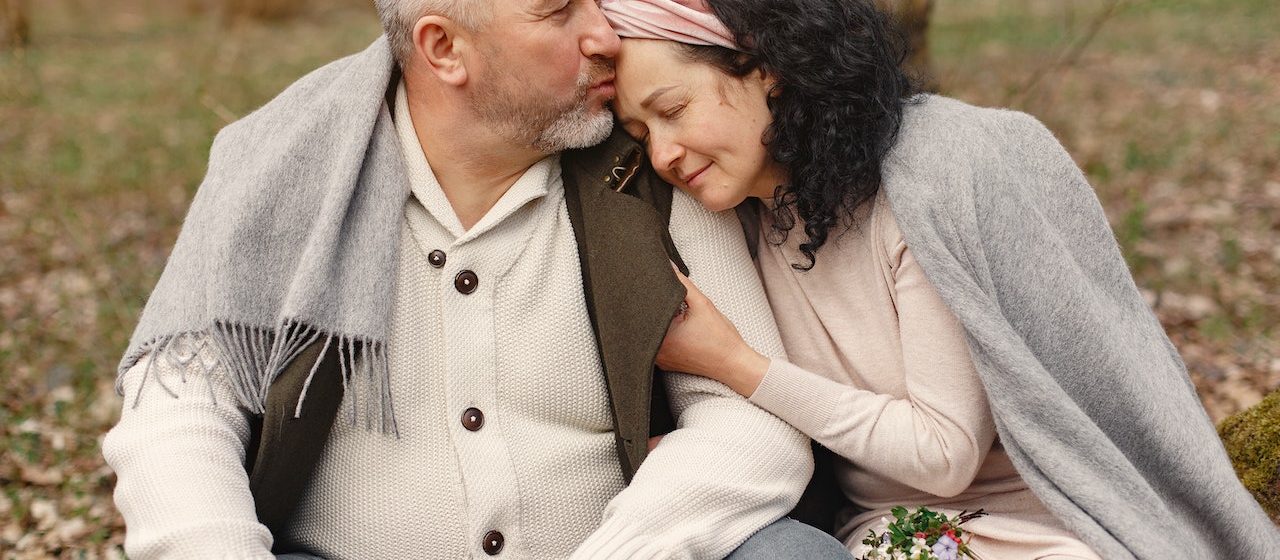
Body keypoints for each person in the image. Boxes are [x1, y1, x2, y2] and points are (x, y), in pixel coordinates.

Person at [101, 0, 858, 558]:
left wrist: (630, 550)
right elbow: (174, 415)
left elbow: (753, 422)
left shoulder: (649, 163)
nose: (604, 35)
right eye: (560, 12)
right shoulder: (278, 163)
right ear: (445, 49)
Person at [602, 0, 1280, 558]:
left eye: (673, 109)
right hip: (893, 538)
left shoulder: (921, 185)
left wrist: (737, 365)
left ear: (765, 68)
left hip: (1046, 529)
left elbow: (943, 453)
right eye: (640, 131)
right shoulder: (733, 222)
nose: (662, 152)